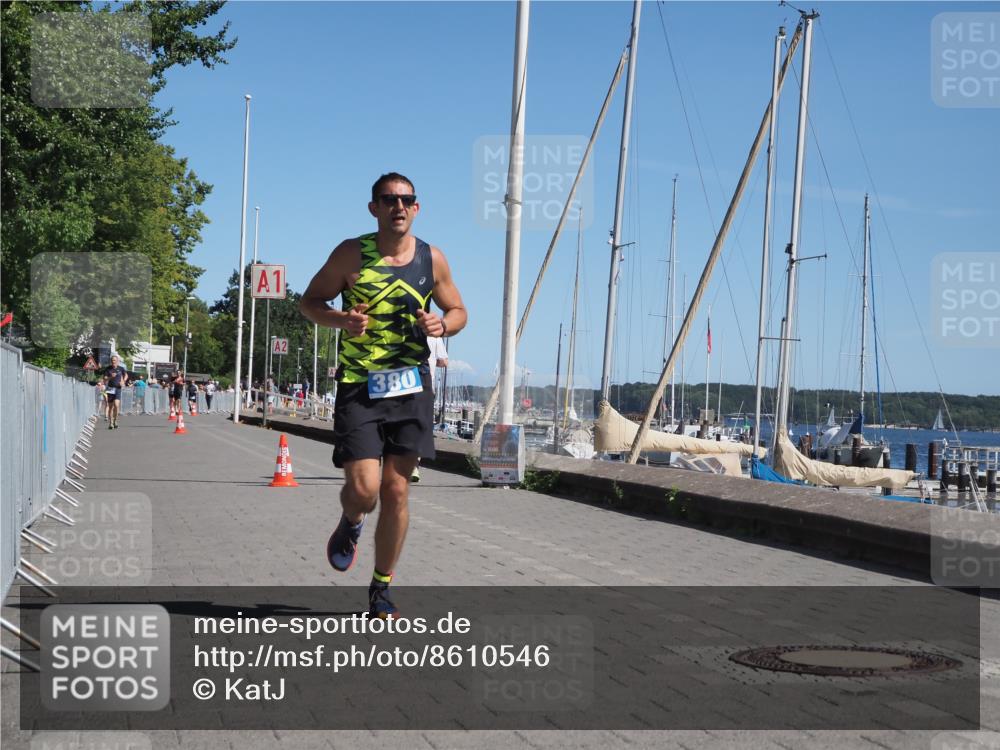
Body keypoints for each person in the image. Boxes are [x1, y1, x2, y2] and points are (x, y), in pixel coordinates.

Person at [300, 172, 466, 619]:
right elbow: (309, 301)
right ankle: (352, 521)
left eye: (407, 199)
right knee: (364, 490)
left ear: (416, 207)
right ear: (373, 208)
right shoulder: (351, 254)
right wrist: (341, 321)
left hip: (411, 387)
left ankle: (381, 588)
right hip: (360, 385)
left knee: (395, 491)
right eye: (389, 199)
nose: (398, 206)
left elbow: (458, 310)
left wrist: (443, 325)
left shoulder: (433, 259)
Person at [411, 335, 448, 483]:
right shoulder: (434, 335)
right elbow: (444, 361)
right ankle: (414, 466)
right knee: (421, 426)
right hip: (426, 385)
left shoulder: (404, 328)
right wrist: (433, 361)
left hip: (402, 385)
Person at [102, 355, 129, 429]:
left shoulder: (121, 368)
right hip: (110, 389)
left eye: (115, 360)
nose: (113, 362)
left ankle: (115, 420)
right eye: (112, 360)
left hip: (118, 389)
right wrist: (111, 377)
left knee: (116, 405)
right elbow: (105, 378)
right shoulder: (108, 369)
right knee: (110, 407)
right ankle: (111, 423)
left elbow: (126, 375)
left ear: (117, 361)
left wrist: (123, 381)